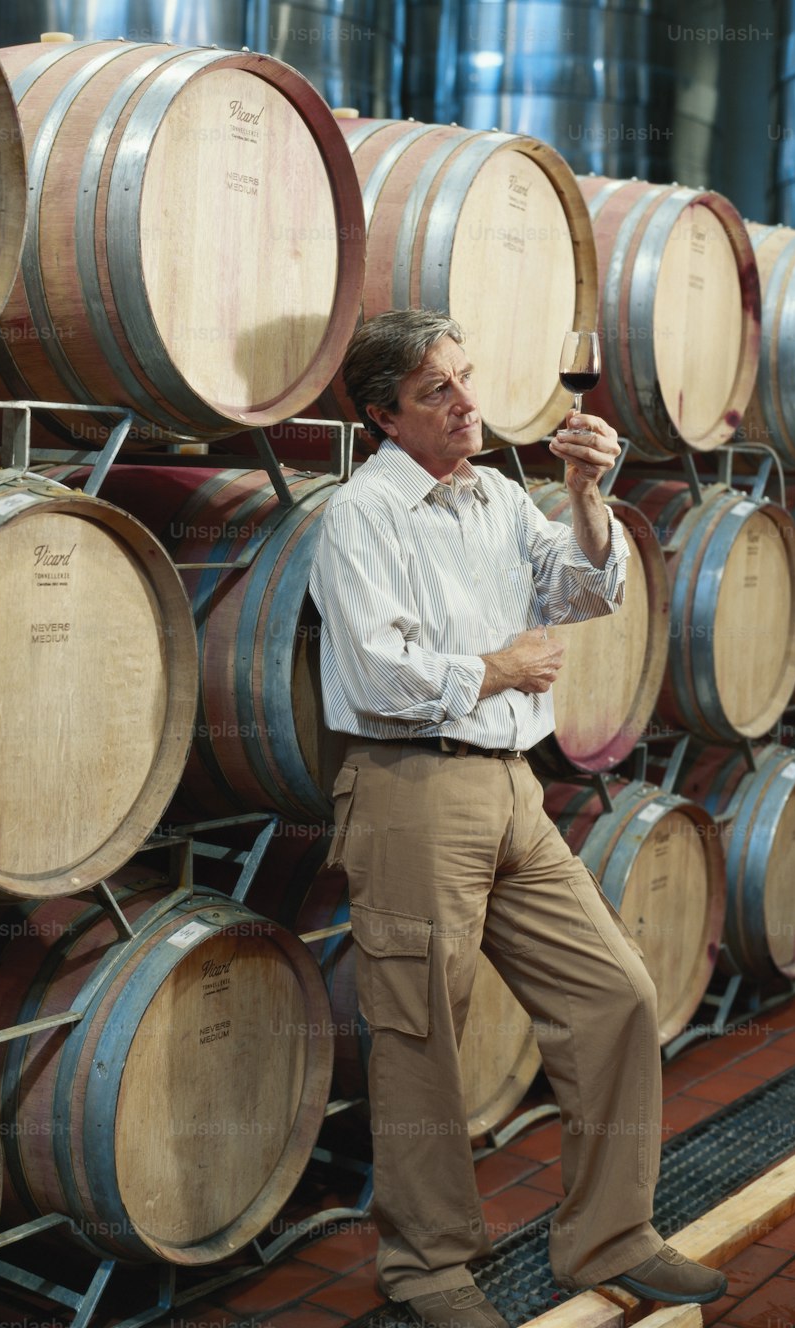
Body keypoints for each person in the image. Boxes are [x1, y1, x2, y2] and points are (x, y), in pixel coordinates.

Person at [308, 309, 728, 1328]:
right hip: (410, 790)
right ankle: (426, 1263)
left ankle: (609, 1231)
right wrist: (498, 665)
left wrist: (586, 492)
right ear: (383, 417)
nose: (465, 403)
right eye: (435, 393)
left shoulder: (497, 492)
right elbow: (372, 671)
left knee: (614, 992)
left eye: (464, 376)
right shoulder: (362, 514)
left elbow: (587, 588)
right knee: (422, 1036)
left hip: (509, 786)